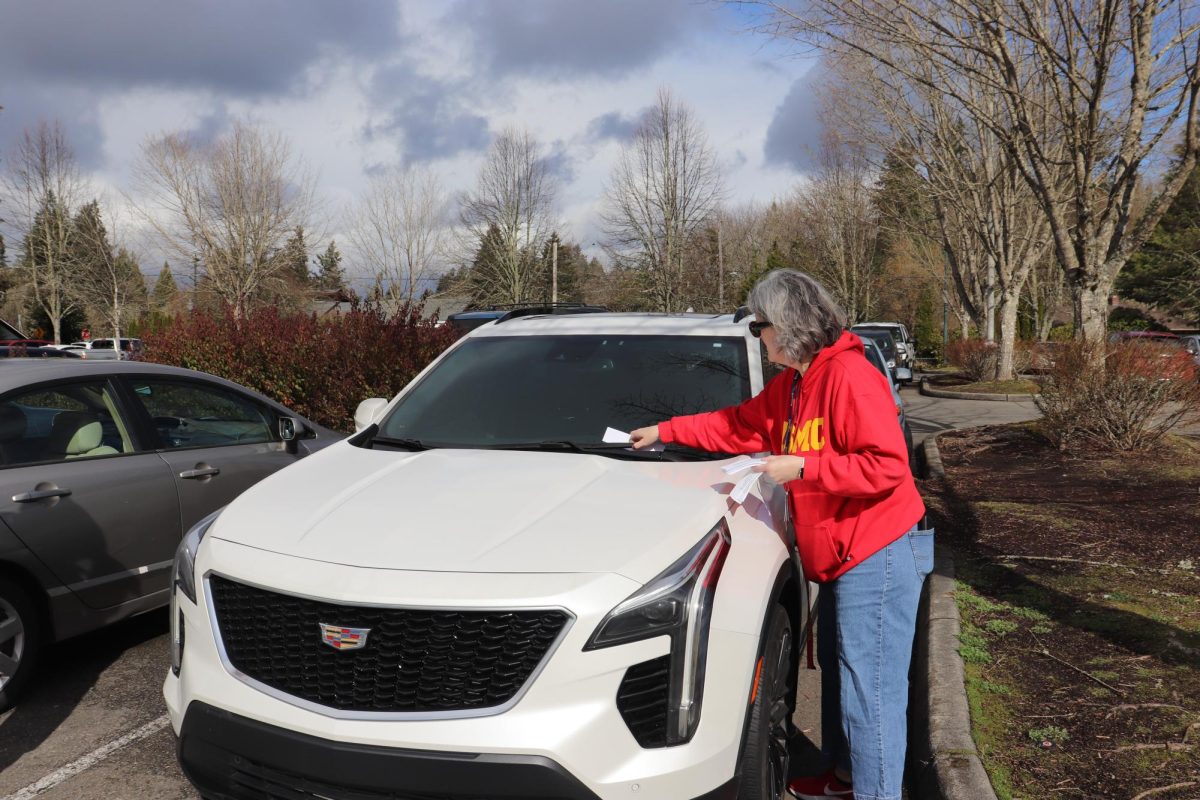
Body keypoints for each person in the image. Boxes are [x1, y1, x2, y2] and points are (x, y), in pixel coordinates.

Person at [630, 269, 932, 800]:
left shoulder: (851, 377)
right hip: (842, 553)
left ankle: (878, 792)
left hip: (877, 552)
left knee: (873, 692)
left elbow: (887, 467)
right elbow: (736, 424)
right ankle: (845, 779)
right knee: (845, 678)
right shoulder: (794, 386)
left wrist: (805, 469)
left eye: (759, 326)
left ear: (788, 326)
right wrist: (666, 431)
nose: (757, 336)